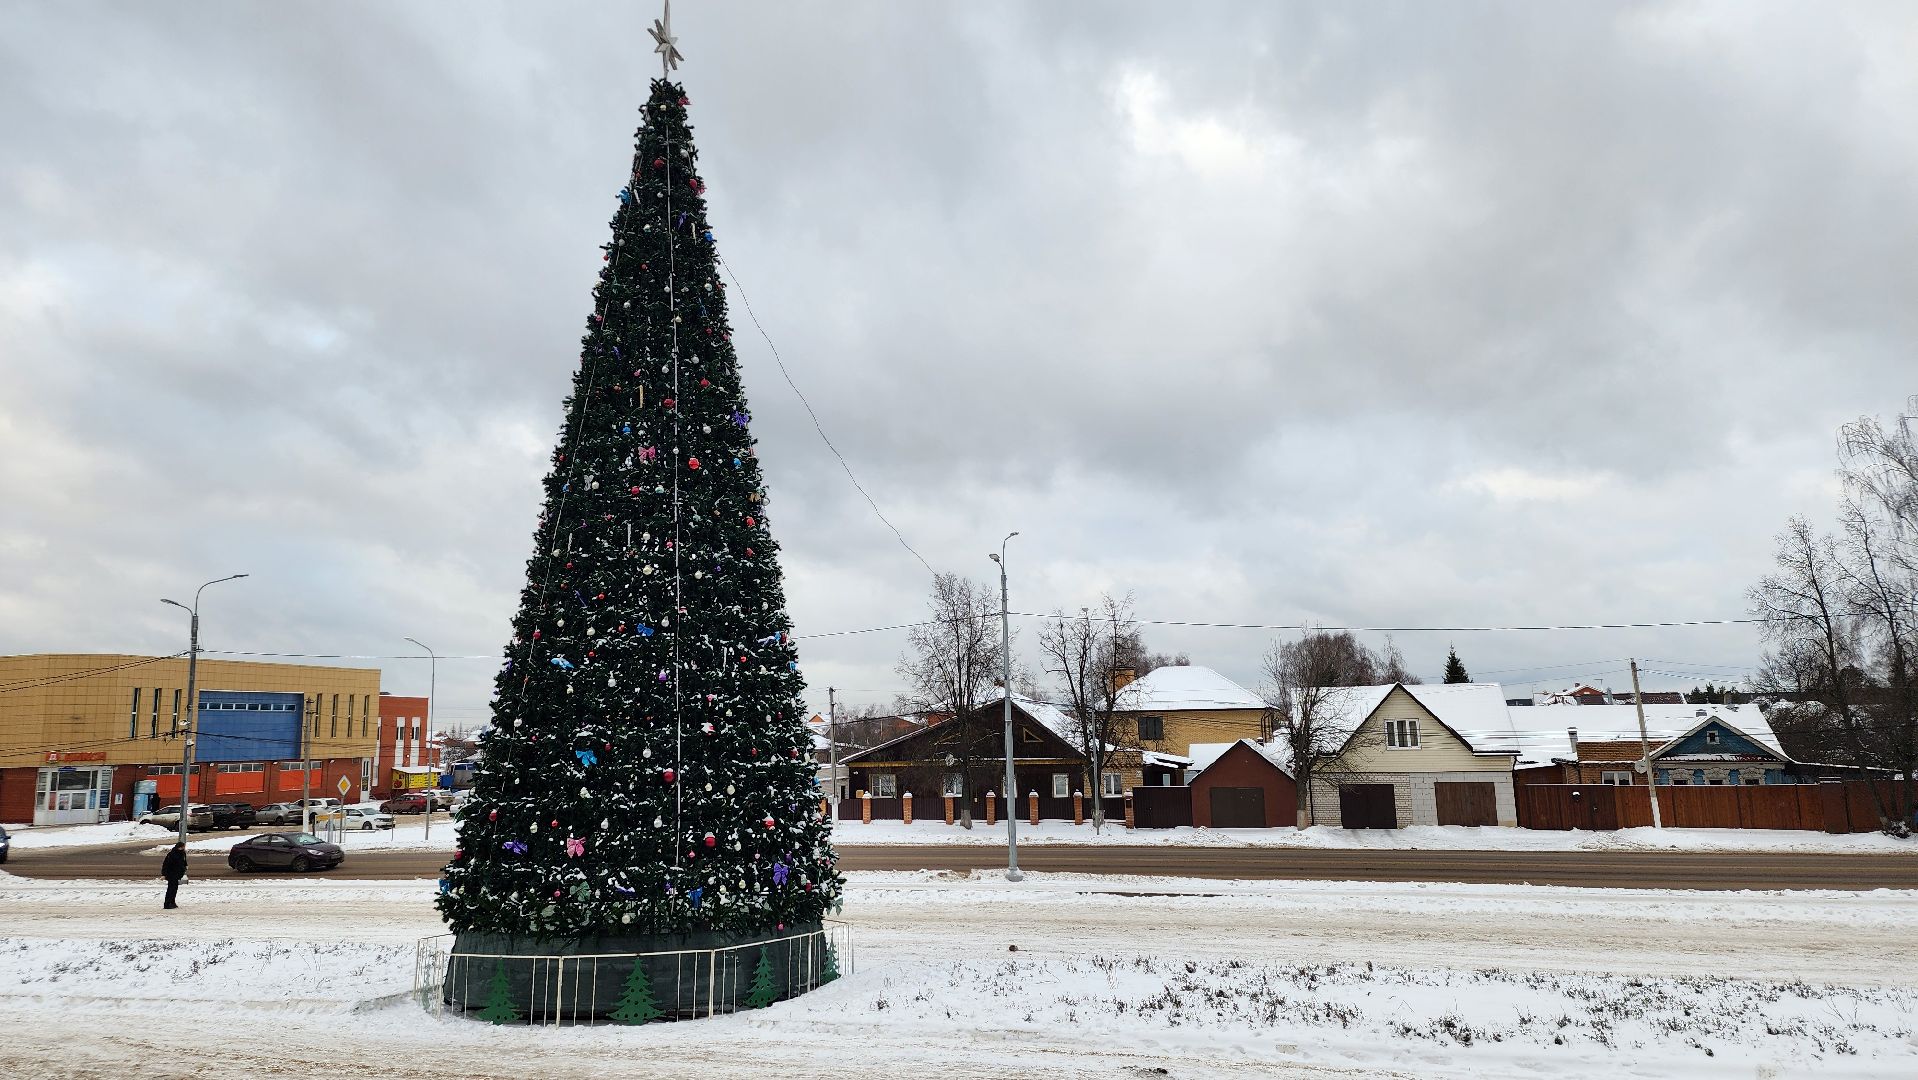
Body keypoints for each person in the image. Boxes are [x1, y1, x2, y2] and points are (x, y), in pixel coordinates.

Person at [161, 842, 187, 910]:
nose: (184, 847)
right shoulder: (172, 854)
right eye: (184, 846)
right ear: (180, 847)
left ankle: (172, 902)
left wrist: (185, 866)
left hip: (177, 874)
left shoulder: (182, 853)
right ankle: (167, 904)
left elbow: (184, 861)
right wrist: (164, 874)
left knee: (175, 889)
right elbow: (166, 864)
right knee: (170, 889)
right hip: (171, 874)